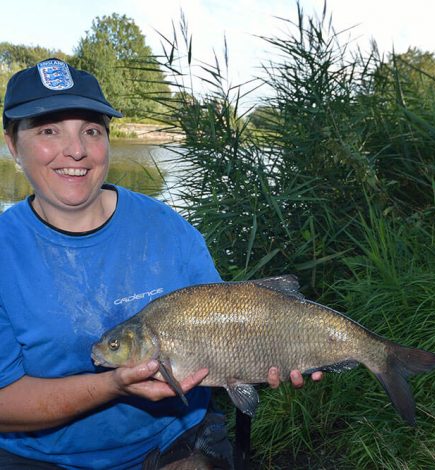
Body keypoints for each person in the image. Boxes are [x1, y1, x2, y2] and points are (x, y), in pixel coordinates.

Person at [0, 58, 322, 469]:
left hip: (175, 436)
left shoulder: (169, 228)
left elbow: (236, 323)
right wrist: (115, 386)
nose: (76, 150)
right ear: (12, 144)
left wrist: (275, 350)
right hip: (42, 457)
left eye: (91, 131)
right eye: (49, 130)